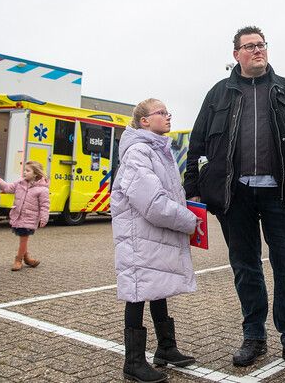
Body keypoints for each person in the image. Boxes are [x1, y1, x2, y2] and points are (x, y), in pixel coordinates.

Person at [184, 26, 285, 374]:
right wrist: (194, 190)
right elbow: (197, 144)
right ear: (236, 55)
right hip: (236, 196)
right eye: (249, 46)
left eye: (261, 45)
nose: (257, 51)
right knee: (245, 267)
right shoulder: (219, 94)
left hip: (284, 193)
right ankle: (254, 337)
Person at [112, 98, 199, 383]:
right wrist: (188, 220)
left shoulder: (159, 150)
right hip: (140, 237)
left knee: (157, 287)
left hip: (152, 236)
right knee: (137, 293)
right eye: (161, 112)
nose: (168, 116)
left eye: (167, 111)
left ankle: (166, 348)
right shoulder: (138, 152)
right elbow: (152, 202)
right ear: (145, 121)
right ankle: (133, 362)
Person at [0, 161, 49, 271]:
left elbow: (45, 205)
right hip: (18, 216)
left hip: (29, 218)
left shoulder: (42, 189)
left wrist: (44, 218)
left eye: (28, 170)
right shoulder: (20, 183)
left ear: (36, 173)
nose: (24, 172)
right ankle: (27, 258)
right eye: (25, 170)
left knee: (23, 239)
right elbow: (7, 188)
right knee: (23, 239)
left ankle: (18, 260)